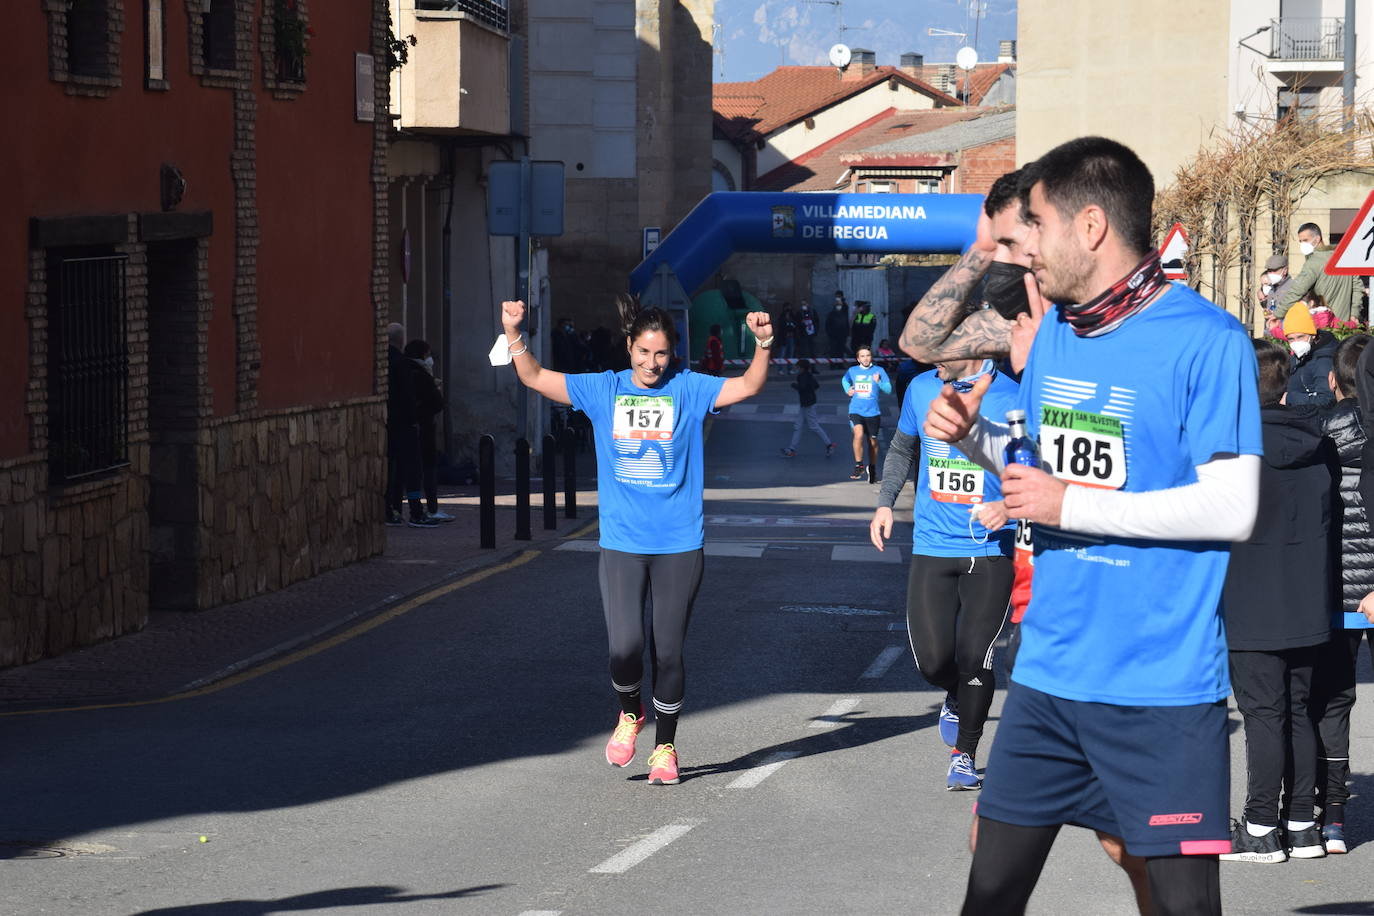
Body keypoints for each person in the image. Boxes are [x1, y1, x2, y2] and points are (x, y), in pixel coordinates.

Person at [920, 137, 1262, 916]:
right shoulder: (1057, 338)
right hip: (1047, 680)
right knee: (989, 896)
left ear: (1093, 226)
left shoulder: (1207, 341)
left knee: (1181, 907)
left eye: (1036, 224)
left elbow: (1232, 505)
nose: (1027, 247)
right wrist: (970, 436)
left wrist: (1068, 506)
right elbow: (1040, 470)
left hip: (1161, 694)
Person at [498, 294, 773, 786]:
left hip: (679, 542)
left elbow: (750, 385)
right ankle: (630, 712)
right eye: (644, 353)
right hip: (622, 541)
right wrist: (515, 333)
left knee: (668, 650)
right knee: (625, 647)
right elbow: (535, 377)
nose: (652, 363)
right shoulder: (604, 389)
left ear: (673, 353)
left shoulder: (688, 389)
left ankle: (665, 748)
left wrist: (764, 344)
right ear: (629, 348)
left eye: (661, 353)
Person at [869, 357, 1016, 790]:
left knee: (977, 657)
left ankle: (965, 755)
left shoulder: (1012, 395)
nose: (933, 357)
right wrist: (884, 502)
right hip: (933, 545)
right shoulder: (920, 388)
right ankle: (954, 694)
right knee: (933, 662)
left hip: (992, 549)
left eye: (941, 346)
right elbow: (901, 448)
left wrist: (1008, 507)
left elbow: (1039, 468)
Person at [1219, 339, 1338, 864]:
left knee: (1264, 715)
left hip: (1249, 600)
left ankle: (1262, 826)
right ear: (1286, 382)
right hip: (1308, 599)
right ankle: (1303, 826)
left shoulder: (1228, 451)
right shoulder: (1320, 444)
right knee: (1299, 712)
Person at [1313, 334, 1374, 855]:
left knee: (1333, 700)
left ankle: (1332, 818)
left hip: (1335, 587)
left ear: (1334, 380)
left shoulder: (1320, 434)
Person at [386, 323, 441, 528]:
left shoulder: (382, 360)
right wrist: (414, 419)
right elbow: (410, 396)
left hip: (387, 422)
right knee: (412, 469)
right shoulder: (403, 364)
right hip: (405, 424)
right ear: (401, 340)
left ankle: (391, 510)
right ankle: (416, 512)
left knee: (391, 469)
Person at [403, 339, 453, 522]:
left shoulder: (404, 369)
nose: (430, 358)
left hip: (408, 427)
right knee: (426, 468)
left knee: (405, 469)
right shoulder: (420, 374)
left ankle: (396, 510)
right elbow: (436, 403)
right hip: (423, 428)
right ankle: (429, 509)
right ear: (423, 355)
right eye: (428, 354)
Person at [1277, 223, 1363, 324]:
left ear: (1317, 239)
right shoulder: (1344, 259)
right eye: (1300, 241)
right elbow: (1357, 288)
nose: (1302, 245)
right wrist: (1354, 314)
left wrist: (1277, 314)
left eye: (1305, 240)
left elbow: (1297, 290)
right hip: (1344, 324)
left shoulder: (1314, 262)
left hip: (1324, 322)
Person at [842, 345, 892, 483]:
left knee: (873, 442)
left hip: (873, 412)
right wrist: (848, 390)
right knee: (858, 435)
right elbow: (844, 380)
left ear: (871, 357)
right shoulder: (852, 371)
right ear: (858, 359)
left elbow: (888, 390)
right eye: (862, 356)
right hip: (856, 410)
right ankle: (859, 465)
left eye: (868, 355)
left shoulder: (879, 371)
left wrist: (879, 382)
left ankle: (873, 468)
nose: (865, 358)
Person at [1284, 302, 1338, 408]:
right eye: (1291, 339)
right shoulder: (1299, 356)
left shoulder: (1324, 359)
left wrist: (1290, 398)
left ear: (1313, 336)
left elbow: (1326, 400)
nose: (1296, 342)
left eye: (1300, 337)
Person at [780, 358, 836, 458]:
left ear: (801, 368)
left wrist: (794, 385)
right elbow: (816, 386)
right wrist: (810, 392)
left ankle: (829, 444)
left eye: (798, 367)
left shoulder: (801, 376)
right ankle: (791, 449)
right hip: (809, 402)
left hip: (807, 404)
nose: (797, 369)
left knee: (812, 426)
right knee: (799, 425)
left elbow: (802, 388)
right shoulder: (809, 375)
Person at [825, 293, 849, 359]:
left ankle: (840, 364)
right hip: (833, 335)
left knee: (840, 350)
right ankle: (833, 364)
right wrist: (830, 333)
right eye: (838, 305)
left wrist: (846, 333)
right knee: (833, 350)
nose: (839, 306)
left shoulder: (844, 314)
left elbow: (846, 324)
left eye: (840, 305)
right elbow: (827, 325)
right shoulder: (831, 314)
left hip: (842, 335)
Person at [776, 304, 798, 371]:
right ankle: (780, 369)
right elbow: (781, 328)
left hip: (791, 338)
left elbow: (795, 326)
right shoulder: (782, 317)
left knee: (790, 354)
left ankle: (790, 369)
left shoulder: (792, 317)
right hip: (784, 338)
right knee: (782, 354)